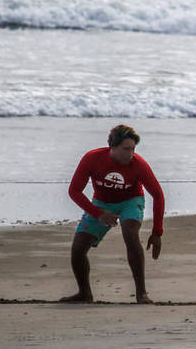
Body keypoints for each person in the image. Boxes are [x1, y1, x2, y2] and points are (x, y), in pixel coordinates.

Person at [61, 124, 165, 304]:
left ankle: (142, 294)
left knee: (130, 233)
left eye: (133, 149)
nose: (130, 154)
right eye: (126, 149)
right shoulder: (92, 158)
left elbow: (158, 195)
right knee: (78, 249)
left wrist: (157, 232)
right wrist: (98, 213)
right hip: (101, 204)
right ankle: (84, 293)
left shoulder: (139, 165)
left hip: (131, 202)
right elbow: (74, 191)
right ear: (113, 147)